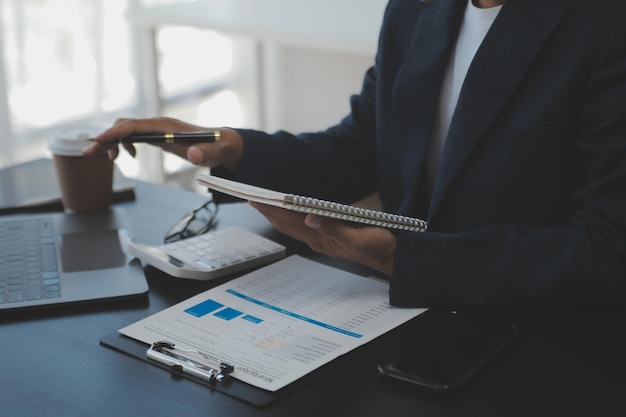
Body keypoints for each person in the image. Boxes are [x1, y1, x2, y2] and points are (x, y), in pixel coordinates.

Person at [84, 0, 626, 308]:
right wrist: (233, 146)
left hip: (547, 339)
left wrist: (398, 257)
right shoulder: (419, 9)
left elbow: (609, 245)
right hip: (408, 314)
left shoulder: (605, 23)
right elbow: (362, 148)